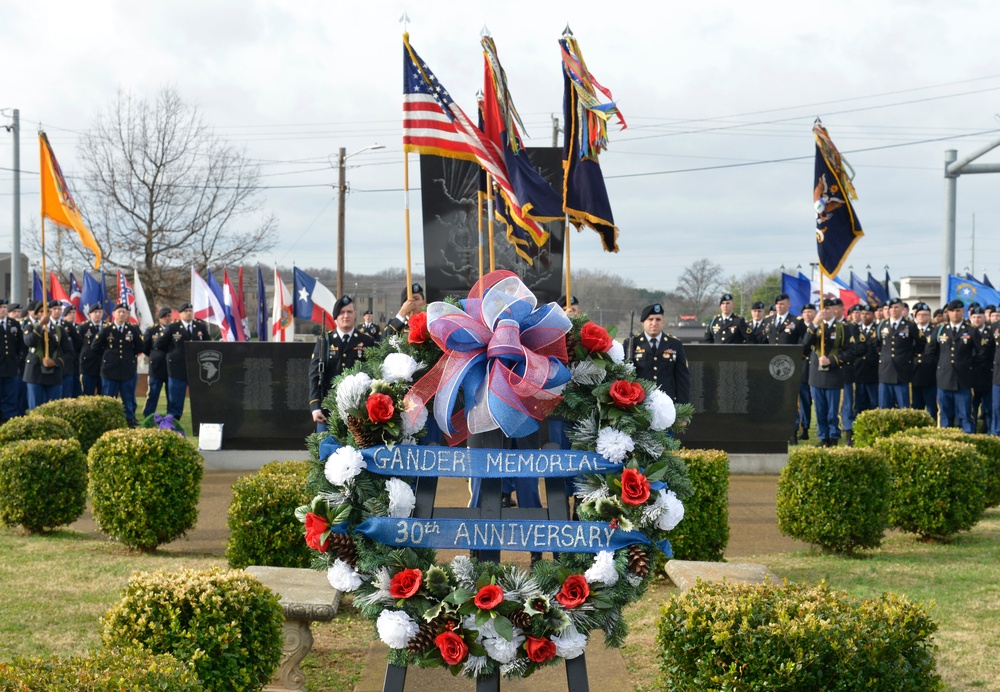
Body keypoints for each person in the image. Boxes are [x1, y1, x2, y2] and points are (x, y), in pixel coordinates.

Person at [309, 295, 373, 431]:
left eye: (349, 312)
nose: (346, 316)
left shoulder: (367, 342)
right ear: (335, 317)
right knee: (326, 451)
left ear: (355, 315)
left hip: (359, 413)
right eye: (342, 313)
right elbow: (314, 376)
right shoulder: (325, 342)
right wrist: (315, 408)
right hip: (328, 412)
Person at [803, 301, 855, 446]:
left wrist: (832, 361)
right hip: (816, 373)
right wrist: (814, 323)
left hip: (834, 373)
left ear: (835, 310)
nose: (824, 311)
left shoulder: (843, 328)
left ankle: (833, 436)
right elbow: (805, 344)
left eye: (827, 308)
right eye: (822, 308)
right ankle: (823, 436)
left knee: (833, 410)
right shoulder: (815, 326)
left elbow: (851, 352)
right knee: (819, 409)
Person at [623, 303, 690, 403]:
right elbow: (623, 377)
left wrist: (682, 409)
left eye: (658, 319)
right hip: (640, 404)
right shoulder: (631, 344)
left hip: (667, 403)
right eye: (650, 319)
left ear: (663, 322)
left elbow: (682, 379)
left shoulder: (675, 344)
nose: (654, 323)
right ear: (643, 322)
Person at [929, 300, 980, 433]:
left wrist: (969, 367)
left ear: (963, 312)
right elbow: (930, 352)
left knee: (965, 416)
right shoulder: (940, 330)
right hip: (944, 379)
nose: (955, 314)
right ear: (948, 313)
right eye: (952, 311)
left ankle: (968, 445)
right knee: (945, 416)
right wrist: (942, 365)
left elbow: (981, 353)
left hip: (963, 380)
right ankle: (946, 445)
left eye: (958, 311)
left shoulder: (971, 331)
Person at [155, 302, 211, 419]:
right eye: (185, 311)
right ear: (180, 314)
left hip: (197, 368)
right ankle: (173, 421)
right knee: (176, 398)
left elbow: (208, 344)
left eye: (190, 311)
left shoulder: (200, 327)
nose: (188, 313)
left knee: (200, 397)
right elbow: (159, 343)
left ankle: (202, 419)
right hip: (177, 369)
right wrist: (173, 353)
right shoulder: (173, 327)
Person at [92, 303, 143, 426]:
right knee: (109, 397)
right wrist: (108, 355)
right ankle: (108, 421)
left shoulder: (132, 329)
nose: (121, 314)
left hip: (127, 369)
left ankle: (129, 419)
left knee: (128, 397)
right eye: (119, 312)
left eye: (124, 312)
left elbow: (140, 346)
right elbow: (95, 346)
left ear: (127, 315)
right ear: (114, 314)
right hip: (110, 370)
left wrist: (129, 355)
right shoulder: (106, 329)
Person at [22, 300, 72, 409]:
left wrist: (55, 362)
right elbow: (29, 342)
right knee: (36, 409)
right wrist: (40, 325)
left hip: (53, 374)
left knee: (53, 409)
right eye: (41, 312)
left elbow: (69, 353)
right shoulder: (30, 327)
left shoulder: (59, 330)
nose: (44, 314)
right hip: (35, 373)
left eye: (47, 311)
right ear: (37, 315)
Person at [876, 297, 920, 409]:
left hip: (902, 370)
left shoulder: (910, 326)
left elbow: (921, 343)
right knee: (884, 407)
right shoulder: (882, 325)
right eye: (891, 307)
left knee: (903, 406)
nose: (894, 310)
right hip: (886, 370)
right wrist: (884, 356)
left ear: (902, 309)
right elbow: (875, 343)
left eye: (897, 307)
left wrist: (909, 355)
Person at [910, 302, 938, 420]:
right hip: (914, 373)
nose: (922, 317)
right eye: (920, 314)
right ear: (915, 317)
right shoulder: (910, 330)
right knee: (917, 406)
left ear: (930, 316)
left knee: (931, 407)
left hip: (930, 373)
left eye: (925, 314)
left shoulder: (935, 330)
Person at [142, 307, 172, 418]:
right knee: (153, 394)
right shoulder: (151, 330)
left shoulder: (175, 330)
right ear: (159, 318)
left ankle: (171, 418)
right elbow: (145, 347)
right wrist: (154, 356)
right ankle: (148, 416)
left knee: (171, 395)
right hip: (156, 367)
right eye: (164, 317)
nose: (166, 319)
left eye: (168, 316)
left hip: (171, 367)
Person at [0, 299, 27, 423]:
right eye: (1, 307)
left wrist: (19, 358)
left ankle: (8, 422)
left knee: (10, 397)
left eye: (5, 307)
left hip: (11, 367)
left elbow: (21, 345)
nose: (3, 310)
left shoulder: (14, 324)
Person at [853, 304, 880, 415]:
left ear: (873, 316)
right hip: (858, 372)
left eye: (868, 314)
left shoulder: (878, 329)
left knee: (874, 403)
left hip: (873, 371)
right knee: (859, 403)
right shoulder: (855, 329)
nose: (864, 316)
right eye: (863, 314)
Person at [969, 304, 992, 431]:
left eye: (979, 317)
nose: (977, 319)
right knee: (972, 406)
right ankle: (972, 429)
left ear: (984, 318)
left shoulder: (990, 333)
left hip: (986, 375)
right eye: (974, 317)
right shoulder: (967, 332)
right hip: (971, 375)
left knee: (988, 406)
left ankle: (987, 430)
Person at [78, 304, 106, 396]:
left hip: (104, 366)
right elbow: (78, 346)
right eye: (95, 312)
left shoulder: (107, 327)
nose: (97, 314)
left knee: (104, 395)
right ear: (89, 314)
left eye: (100, 312)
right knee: (87, 394)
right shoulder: (83, 328)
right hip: (88, 366)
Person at [59, 304, 82, 398]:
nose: (72, 315)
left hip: (74, 361)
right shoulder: (61, 326)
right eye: (69, 313)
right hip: (62, 361)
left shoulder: (76, 327)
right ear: (64, 315)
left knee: (75, 390)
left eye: (73, 313)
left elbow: (80, 343)